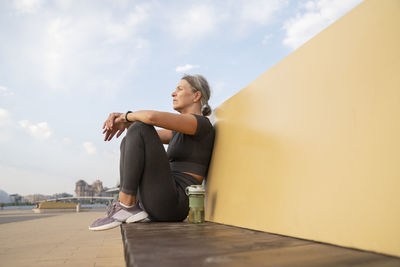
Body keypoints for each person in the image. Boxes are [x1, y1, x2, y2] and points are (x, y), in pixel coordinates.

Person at [89, 74, 215, 231]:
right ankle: (128, 204)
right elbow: (139, 138)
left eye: (179, 89)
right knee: (129, 137)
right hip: (160, 196)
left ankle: (125, 204)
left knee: (140, 127)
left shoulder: (202, 124)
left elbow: (150, 118)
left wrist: (125, 116)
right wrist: (126, 122)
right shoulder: (176, 132)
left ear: (196, 95)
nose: (173, 93)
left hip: (176, 202)